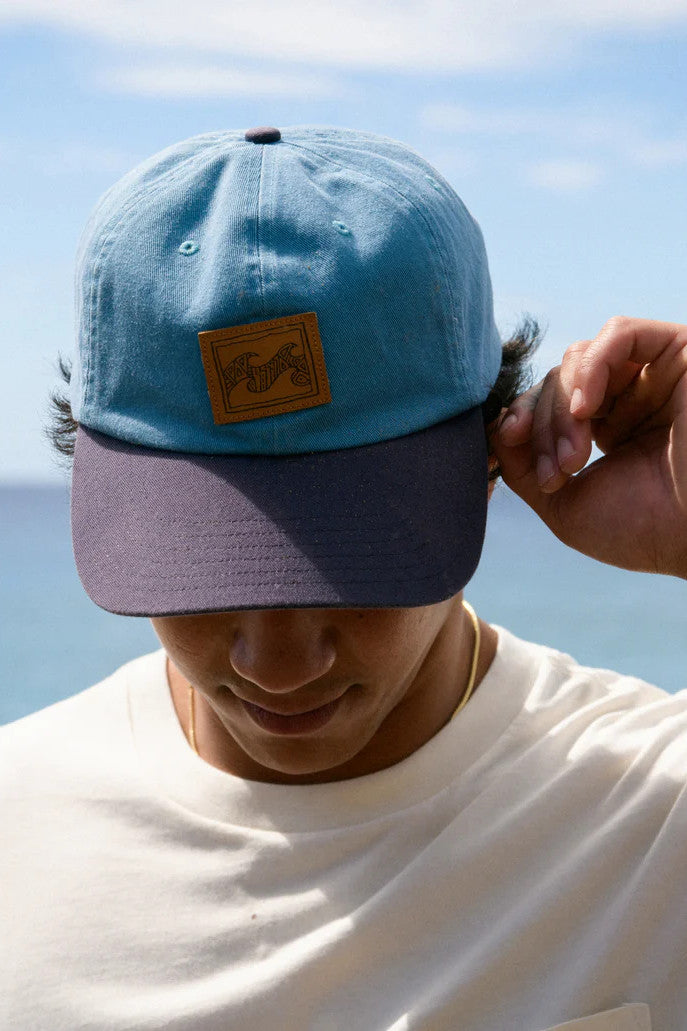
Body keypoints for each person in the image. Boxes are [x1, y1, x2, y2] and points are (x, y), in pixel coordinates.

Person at [2, 125, 686, 1031]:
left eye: (346, 562)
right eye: (204, 569)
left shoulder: (654, 818)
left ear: (492, 457)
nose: (277, 664)